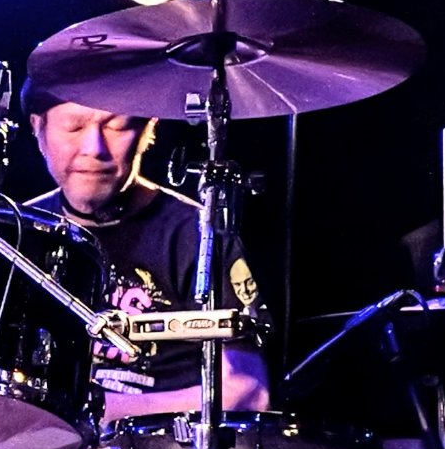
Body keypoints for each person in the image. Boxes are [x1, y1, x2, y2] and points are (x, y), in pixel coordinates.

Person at [22, 98, 271, 417]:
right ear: (38, 129)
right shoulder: (15, 234)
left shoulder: (198, 234)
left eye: (115, 126)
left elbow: (250, 390)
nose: (94, 148)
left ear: (148, 129)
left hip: (161, 444)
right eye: (74, 127)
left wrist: (100, 412)